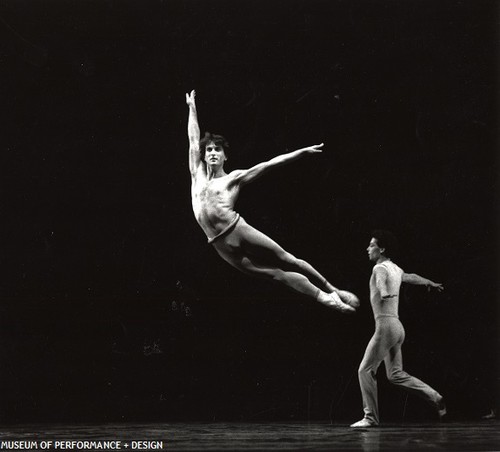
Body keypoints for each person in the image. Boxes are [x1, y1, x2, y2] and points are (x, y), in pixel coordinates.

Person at [185, 89, 358, 313]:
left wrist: (301, 152)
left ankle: (333, 288)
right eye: (209, 150)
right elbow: (192, 138)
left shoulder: (233, 178)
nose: (212, 153)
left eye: (217, 149)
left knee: (288, 259)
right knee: (276, 276)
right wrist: (192, 107)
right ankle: (325, 298)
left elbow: (269, 164)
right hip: (218, 244)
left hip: (237, 230)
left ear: (225, 156)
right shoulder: (196, 174)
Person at [351, 230, 446, 427]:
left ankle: (370, 418)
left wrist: (385, 293)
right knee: (395, 374)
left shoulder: (379, 269)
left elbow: (380, 283)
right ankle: (434, 396)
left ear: (382, 249)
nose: (367, 249)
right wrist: (428, 282)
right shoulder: (396, 268)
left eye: (371, 245)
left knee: (365, 370)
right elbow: (410, 276)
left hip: (386, 326)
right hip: (397, 328)